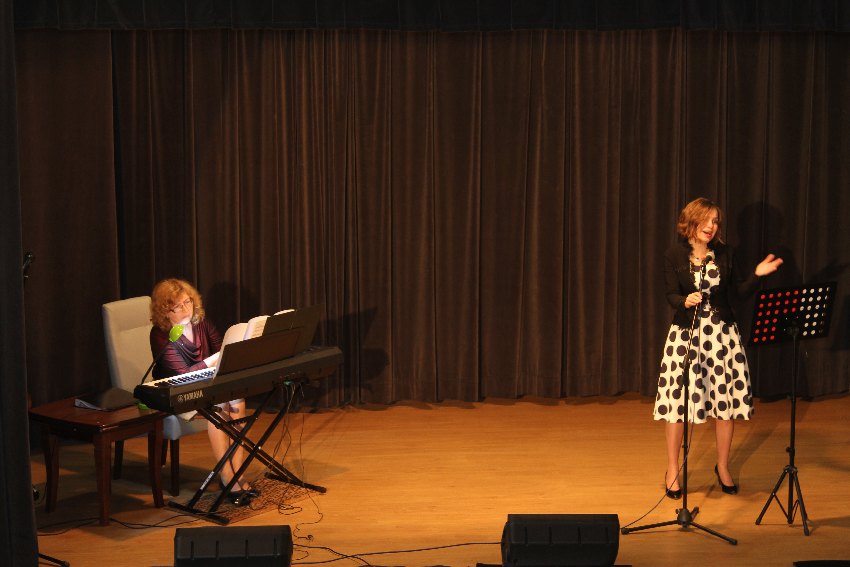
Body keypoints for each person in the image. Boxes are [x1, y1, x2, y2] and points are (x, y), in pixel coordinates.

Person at [653, 198, 782, 499]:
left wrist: (758, 275)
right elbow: (670, 293)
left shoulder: (725, 254)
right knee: (678, 406)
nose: (712, 226)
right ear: (692, 220)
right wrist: (684, 301)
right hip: (686, 337)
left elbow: (738, 293)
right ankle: (672, 469)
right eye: (707, 220)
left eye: (715, 221)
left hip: (722, 337)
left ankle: (722, 466)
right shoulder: (674, 254)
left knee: (725, 405)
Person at [149, 278, 258, 506]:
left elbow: (221, 347)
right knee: (218, 406)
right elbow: (183, 373)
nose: (185, 309)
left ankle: (235, 473)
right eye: (177, 306)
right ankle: (228, 477)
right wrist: (215, 359)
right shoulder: (160, 334)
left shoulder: (201, 322)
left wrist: (227, 355)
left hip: (208, 384)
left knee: (237, 399)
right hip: (178, 392)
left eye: (188, 302)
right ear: (165, 311)